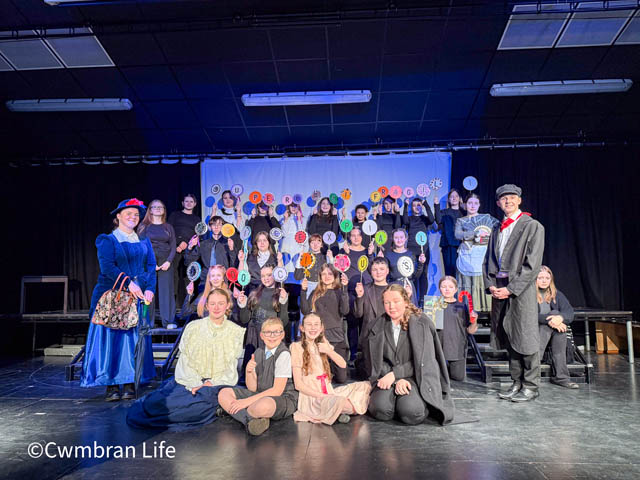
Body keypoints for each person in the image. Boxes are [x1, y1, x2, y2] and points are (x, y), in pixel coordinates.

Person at [126, 288, 245, 429]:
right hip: (189, 381)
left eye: (221, 303)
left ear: (227, 305)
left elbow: (230, 368)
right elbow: (185, 360)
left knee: (198, 409)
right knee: (156, 405)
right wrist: (194, 384)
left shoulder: (235, 332)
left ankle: (215, 407)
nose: (217, 307)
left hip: (216, 385)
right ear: (206, 306)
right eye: (212, 304)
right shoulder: (193, 327)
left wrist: (209, 383)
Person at [81, 198, 156, 401]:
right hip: (112, 296)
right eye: (128, 213)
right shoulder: (108, 239)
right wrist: (128, 283)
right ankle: (112, 384)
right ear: (118, 217)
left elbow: (150, 267)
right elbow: (108, 268)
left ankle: (131, 381)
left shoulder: (144, 241)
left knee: (132, 341)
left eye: (136, 214)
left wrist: (149, 289)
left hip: (137, 297)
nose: (133, 217)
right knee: (112, 340)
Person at [483, 184, 545, 403]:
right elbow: (488, 260)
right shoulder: (496, 229)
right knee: (509, 337)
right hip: (500, 291)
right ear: (499, 203)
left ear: (519, 200)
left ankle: (531, 385)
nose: (507, 201)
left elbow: (532, 266)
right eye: (503, 199)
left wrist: (511, 289)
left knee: (525, 337)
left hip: (520, 292)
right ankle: (516, 382)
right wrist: (491, 285)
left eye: (511, 198)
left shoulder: (532, 226)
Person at [367, 284, 455, 425]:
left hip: (417, 377)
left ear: (406, 301)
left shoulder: (422, 323)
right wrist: (393, 378)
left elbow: (424, 360)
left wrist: (398, 375)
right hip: (386, 376)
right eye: (387, 303)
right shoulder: (377, 325)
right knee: (380, 410)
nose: (391, 306)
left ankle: (418, 404)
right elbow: (375, 359)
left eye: (396, 301)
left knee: (411, 413)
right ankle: (395, 400)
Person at [218, 318, 298, 436]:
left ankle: (237, 413)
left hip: (282, 397)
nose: (272, 336)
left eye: (276, 332)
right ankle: (251, 420)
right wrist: (249, 372)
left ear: (282, 335)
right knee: (223, 393)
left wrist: (245, 402)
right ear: (261, 335)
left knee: (262, 406)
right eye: (267, 332)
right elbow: (252, 389)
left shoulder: (284, 354)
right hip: (260, 393)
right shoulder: (258, 352)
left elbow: (277, 391)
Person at [290, 313, 371, 425]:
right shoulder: (296, 347)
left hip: (328, 391)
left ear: (321, 328)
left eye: (316, 324)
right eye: (309, 324)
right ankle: (337, 412)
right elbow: (298, 384)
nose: (313, 328)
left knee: (365, 386)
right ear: (302, 328)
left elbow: (342, 364)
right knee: (343, 403)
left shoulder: (322, 344)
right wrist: (323, 396)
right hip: (313, 396)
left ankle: (336, 412)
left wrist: (329, 351)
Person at [300, 264, 350, 383]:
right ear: (320, 276)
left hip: (337, 338)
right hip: (320, 338)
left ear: (335, 276)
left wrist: (345, 290)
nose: (327, 277)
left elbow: (345, 310)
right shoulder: (316, 293)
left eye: (330, 274)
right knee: (321, 378)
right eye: (323, 274)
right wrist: (303, 291)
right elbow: (305, 310)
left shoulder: (339, 291)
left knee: (341, 378)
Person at [454, 193, 499, 313]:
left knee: (482, 281)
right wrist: (474, 234)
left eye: (475, 203)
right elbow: (457, 235)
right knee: (467, 283)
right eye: (470, 203)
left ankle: (485, 311)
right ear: (465, 204)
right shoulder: (461, 220)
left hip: (482, 255)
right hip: (467, 255)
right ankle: (467, 311)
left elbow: (498, 228)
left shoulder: (486, 218)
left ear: (479, 205)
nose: (472, 206)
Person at [137, 199, 177, 328]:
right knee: (149, 291)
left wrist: (168, 261)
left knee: (167, 291)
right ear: (150, 210)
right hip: (149, 260)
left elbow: (173, 245)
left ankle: (168, 321)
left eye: (161, 207)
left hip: (165, 260)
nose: (158, 209)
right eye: (155, 207)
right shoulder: (144, 226)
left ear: (164, 210)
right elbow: (140, 246)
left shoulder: (168, 227)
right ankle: (148, 322)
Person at [537, 266, 578, 389]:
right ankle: (532, 376)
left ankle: (561, 378)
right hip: (534, 330)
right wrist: (552, 320)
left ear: (551, 279)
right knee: (552, 316)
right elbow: (528, 316)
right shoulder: (528, 294)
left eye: (547, 278)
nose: (544, 281)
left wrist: (560, 319)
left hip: (554, 331)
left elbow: (570, 313)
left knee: (557, 320)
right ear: (534, 279)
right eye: (540, 278)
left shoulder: (557, 294)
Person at [237, 265, 289, 361]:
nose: (266, 278)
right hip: (254, 337)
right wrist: (243, 304)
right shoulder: (254, 294)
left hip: (271, 336)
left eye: (269, 275)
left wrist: (283, 301)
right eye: (263, 276)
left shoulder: (281, 294)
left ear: (276, 275)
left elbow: (283, 322)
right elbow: (244, 319)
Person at [340, 226, 375, 361]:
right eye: (352, 235)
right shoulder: (345, 251)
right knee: (352, 324)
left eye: (358, 235)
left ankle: (365, 353)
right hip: (350, 291)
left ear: (362, 237)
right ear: (349, 237)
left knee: (365, 323)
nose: (355, 238)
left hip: (366, 291)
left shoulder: (368, 251)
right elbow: (339, 268)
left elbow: (373, 269)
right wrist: (344, 253)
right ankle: (353, 354)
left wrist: (371, 254)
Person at [438, 276, 478, 381]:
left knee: (457, 377)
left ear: (456, 289)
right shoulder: (434, 305)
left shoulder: (462, 306)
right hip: (438, 349)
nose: (447, 289)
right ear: (439, 288)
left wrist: (474, 321)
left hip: (456, 348)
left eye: (450, 287)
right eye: (444, 286)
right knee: (440, 378)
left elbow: (470, 330)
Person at [402, 196, 435, 306]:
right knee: (414, 275)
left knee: (424, 274)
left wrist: (426, 204)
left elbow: (432, 219)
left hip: (424, 250)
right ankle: (414, 299)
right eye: (414, 205)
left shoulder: (425, 219)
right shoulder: (410, 219)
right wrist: (405, 206)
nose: (417, 207)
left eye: (419, 205)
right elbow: (405, 220)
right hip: (412, 249)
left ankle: (423, 300)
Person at [168, 194, 201, 305]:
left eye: (191, 201)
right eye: (186, 201)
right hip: (175, 248)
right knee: (174, 275)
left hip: (190, 250)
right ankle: (173, 303)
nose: (189, 203)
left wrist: (186, 244)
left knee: (189, 275)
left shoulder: (197, 219)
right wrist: (177, 243)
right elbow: (169, 230)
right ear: (182, 203)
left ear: (195, 204)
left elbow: (197, 235)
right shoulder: (175, 215)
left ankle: (188, 303)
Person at [382, 228, 425, 305]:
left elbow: (416, 275)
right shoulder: (388, 255)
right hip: (394, 287)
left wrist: (421, 263)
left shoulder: (411, 254)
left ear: (405, 238)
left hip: (409, 286)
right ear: (393, 239)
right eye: (396, 238)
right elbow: (385, 274)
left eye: (401, 237)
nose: (399, 240)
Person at [435, 189, 465, 277]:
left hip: (462, 245)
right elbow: (438, 220)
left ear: (459, 198)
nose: (454, 198)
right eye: (452, 196)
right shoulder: (444, 212)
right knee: (449, 272)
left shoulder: (464, 213)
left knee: (461, 272)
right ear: (448, 199)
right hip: (448, 245)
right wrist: (436, 205)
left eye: (456, 196)